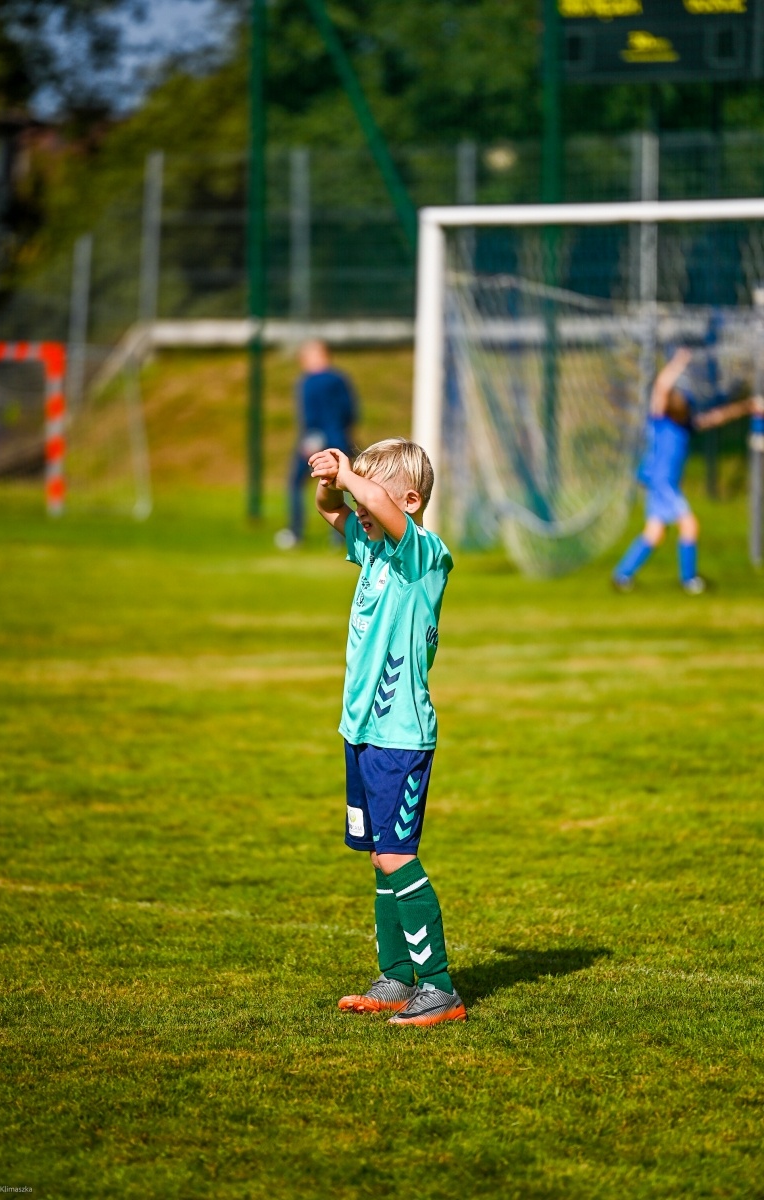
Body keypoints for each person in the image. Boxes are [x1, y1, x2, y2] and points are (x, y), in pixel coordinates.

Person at [308, 437, 466, 1027]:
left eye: (373, 500)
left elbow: (368, 499)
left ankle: (440, 988)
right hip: (362, 731)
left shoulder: (423, 554)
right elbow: (332, 508)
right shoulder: (372, 549)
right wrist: (331, 478)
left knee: (399, 857)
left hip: (401, 736)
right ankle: (397, 979)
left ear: (410, 501)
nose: (361, 512)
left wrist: (354, 479)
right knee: (380, 857)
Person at [612, 347, 763, 593]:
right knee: (690, 525)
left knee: (654, 533)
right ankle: (689, 580)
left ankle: (622, 575)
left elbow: (717, 416)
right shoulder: (660, 422)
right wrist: (679, 362)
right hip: (662, 484)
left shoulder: (685, 426)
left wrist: (747, 406)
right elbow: (661, 387)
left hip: (660, 485)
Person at [275, 340, 358, 549]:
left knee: (296, 483)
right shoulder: (340, 379)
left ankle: (295, 533)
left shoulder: (309, 382)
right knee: (343, 484)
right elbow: (350, 412)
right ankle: (343, 536)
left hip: (316, 441)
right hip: (340, 440)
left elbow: (310, 416)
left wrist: (311, 441)